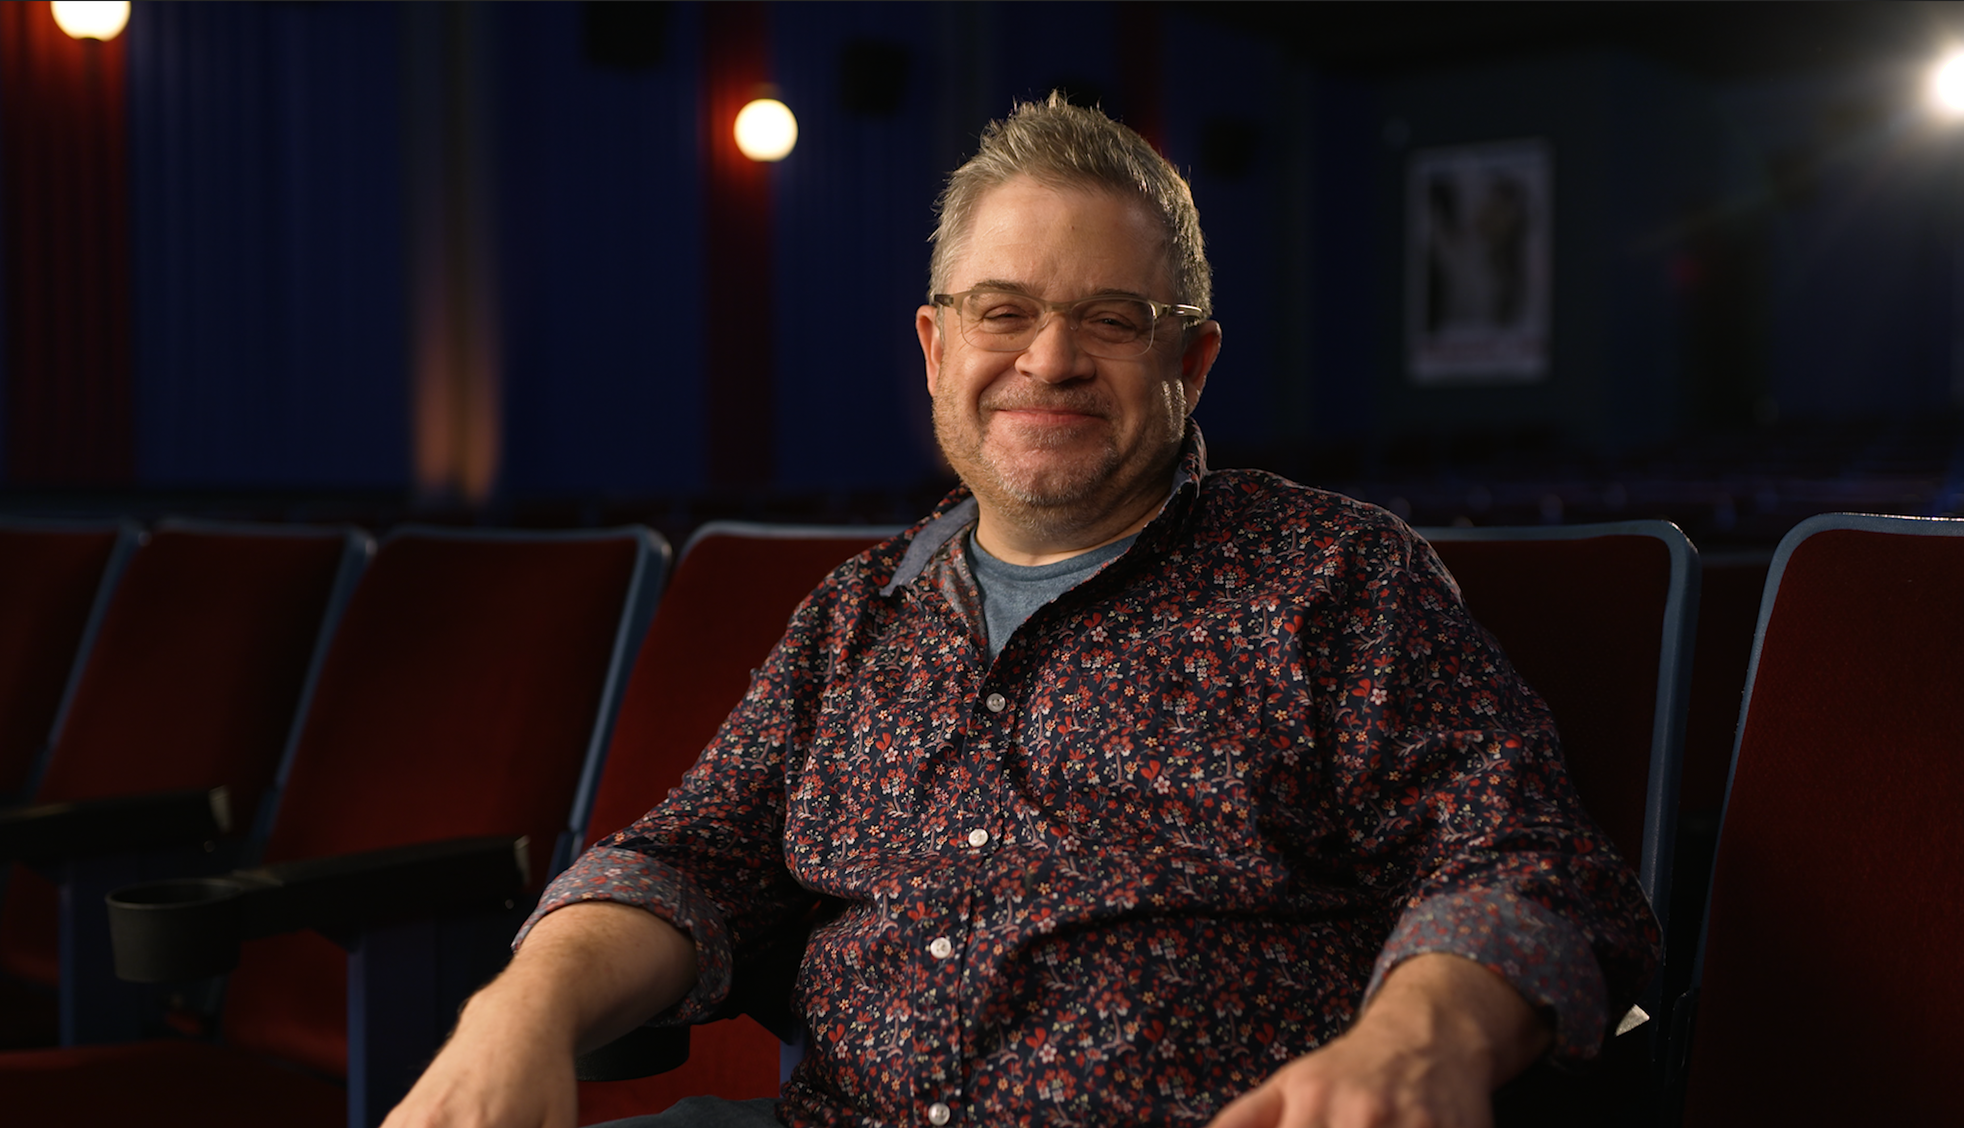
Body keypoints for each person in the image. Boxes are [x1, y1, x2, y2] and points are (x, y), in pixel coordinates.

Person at [385, 95, 1658, 1128]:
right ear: (939, 349)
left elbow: (1520, 865)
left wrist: (1416, 1041)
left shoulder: (1327, 578)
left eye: (1110, 320)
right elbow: (686, 863)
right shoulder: (854, 617)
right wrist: (519, 1013)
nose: (1048, 359)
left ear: (1189, 363)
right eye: (1004, 312)